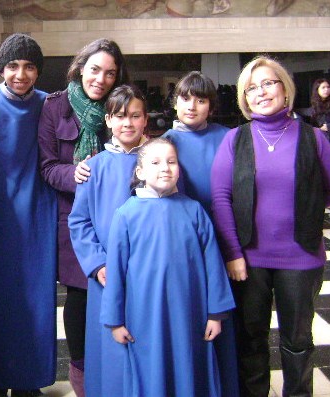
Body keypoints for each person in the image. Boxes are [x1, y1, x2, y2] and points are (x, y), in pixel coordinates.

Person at [211, 55, 330, 397]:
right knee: (250, 339)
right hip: (248, 261)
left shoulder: (313, 138)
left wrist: (303, 212)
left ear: (285, 89)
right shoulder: (235, 139)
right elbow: (221, 197)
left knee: (298, 341)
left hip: (301, 257)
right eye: (252, 88)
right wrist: (233, 254)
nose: (261, 92)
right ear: (244, 98)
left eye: (268, 83)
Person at [100, 137, 236, 397]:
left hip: (191, 314)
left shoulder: (194, 211)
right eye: (155, 162)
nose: (165, 168)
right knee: (150, 373)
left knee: (191, 369)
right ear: (140, 172)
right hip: (144, 317)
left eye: (171, 162)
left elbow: (213, 265)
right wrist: (115, 321)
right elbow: (115, 271)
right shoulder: (126, 214)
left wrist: (216, 314)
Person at [38, 38, 129, 397]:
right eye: (94, 70)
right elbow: (46, 168)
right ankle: (83, 380)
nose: (101, 79)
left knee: (121, 291)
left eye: (109, 73)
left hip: (121, 217)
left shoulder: (122, 102)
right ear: (80, 67)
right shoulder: (55, 107)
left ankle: (118, 373)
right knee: (81, 298)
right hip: (75, 218)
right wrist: (72, 174)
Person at [0, 33, 57, 397]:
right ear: (2, 68)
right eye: (12, 65)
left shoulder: (49, 105)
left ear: (38, 71)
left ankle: (28, 379)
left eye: (29, 66)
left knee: (35, 300)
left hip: (38, 214)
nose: (20, 74)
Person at [162, 70, 239, 396]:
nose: (192, 105)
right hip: (182, 246)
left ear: (211, 104)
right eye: (185, 98)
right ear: (174, 102)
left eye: (201, 99)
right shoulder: (163, 142)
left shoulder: (229, 137)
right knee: (188, 320)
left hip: (222, 240)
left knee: (221, 320)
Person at [68, 84, 148, 397]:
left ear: (144, 121)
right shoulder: (93, 167)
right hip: (107, 273)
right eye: (120, 116)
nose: (128, 123)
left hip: (147, 270)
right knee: (111, 348)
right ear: (108, 120)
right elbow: (80, 221)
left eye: (135, 116)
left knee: (145, 338)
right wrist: (97, 263)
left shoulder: (156, 160)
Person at [297, 77, 330, 147]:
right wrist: (290, 109)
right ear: (317, 90)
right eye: (323, 87)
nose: (326, 90)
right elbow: (305, 111)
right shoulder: (316, 106)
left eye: (328, 87)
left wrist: (329, 127)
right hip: (323, 141)